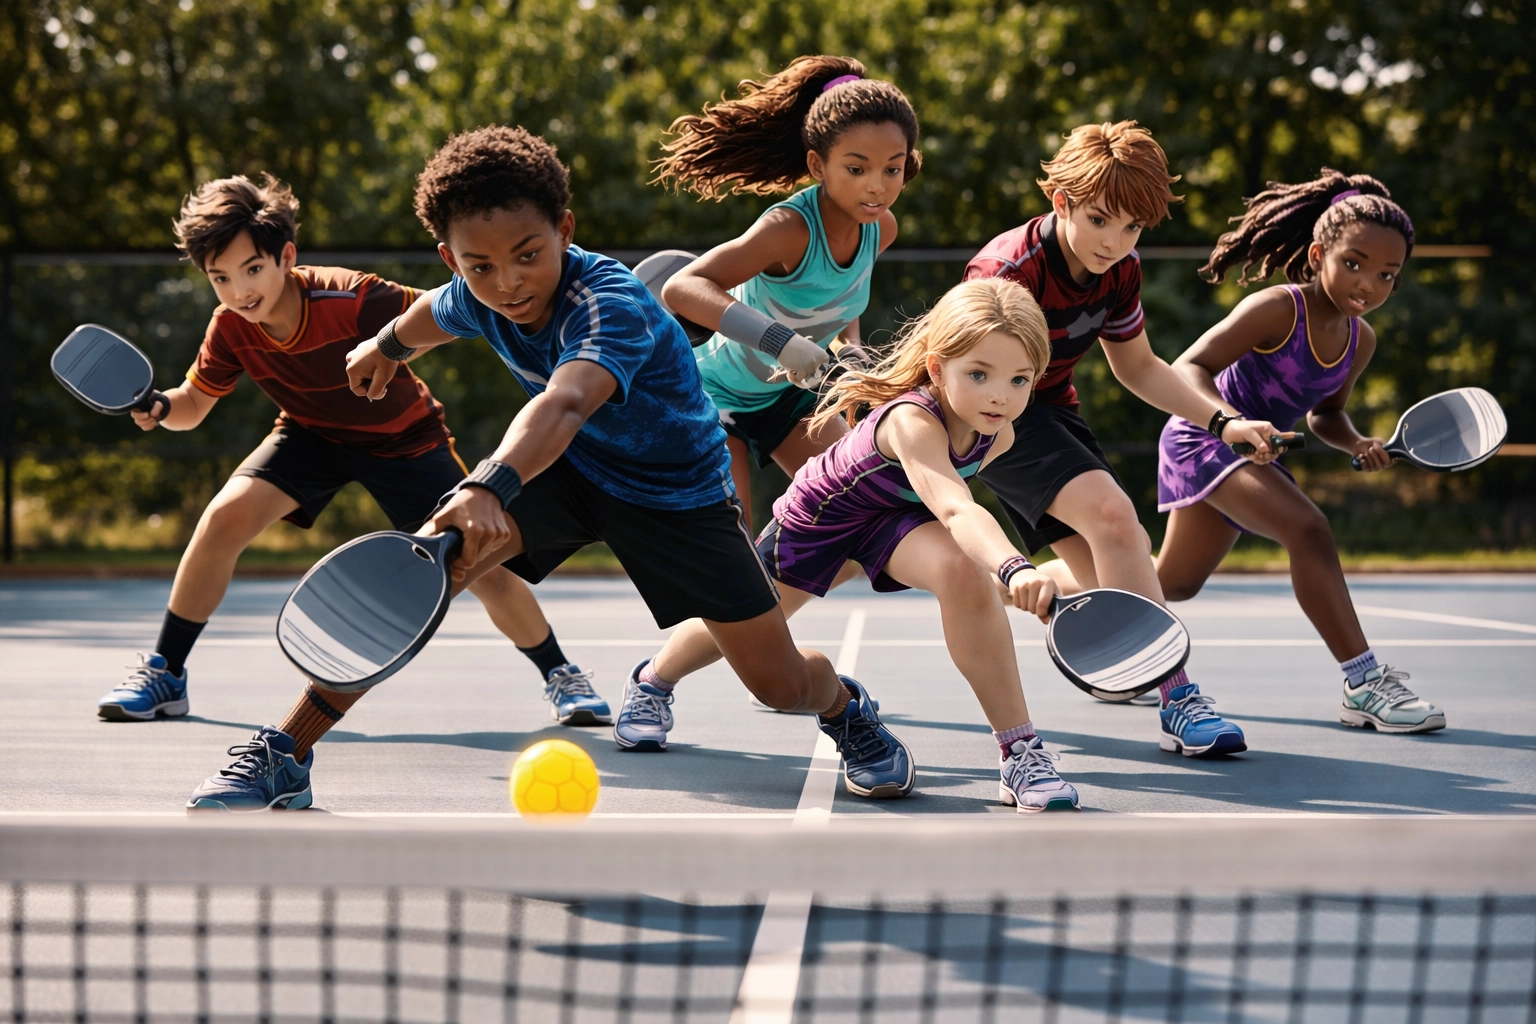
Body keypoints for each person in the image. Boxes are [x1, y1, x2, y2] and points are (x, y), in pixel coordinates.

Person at [186, 126, 914, 810]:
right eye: (480, 265)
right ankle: (286, 752)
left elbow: (564, 404)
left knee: (778, 684)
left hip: (678, 495)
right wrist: (386, 345)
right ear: (452, 259)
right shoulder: (476, 292)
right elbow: (435, 313)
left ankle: (843, 706)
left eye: (527, 255)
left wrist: (486, 483)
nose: (508, 282)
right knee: (425, 571)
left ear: (564, 230)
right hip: (571, 473)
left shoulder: (609, 304)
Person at [96, 174, 608, 736]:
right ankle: (166, 673)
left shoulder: (352, 298)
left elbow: (443, 312)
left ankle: (561, 673)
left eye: (252, 269)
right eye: (221, 278)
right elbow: (193, 404)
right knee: (223, 518)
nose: (240, 291)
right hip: (310, 436)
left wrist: (406, 349)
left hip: (404, 441)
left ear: (285, 257)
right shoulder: (231, 328)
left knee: (479, 563)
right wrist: (163, 406)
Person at [620, 278, 1082, 812]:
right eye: (978, 374)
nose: (1000, 394)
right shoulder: (912, 420)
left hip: (893, 520)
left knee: (962, 572)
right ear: (937, 369)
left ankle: (1020, 752)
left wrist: (997, 566)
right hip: (820, 518)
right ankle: (653, 680)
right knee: (742, 627)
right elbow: (956, 506)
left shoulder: (999, 433)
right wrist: (1015, 567)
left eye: (1019, 379)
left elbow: (949, 510)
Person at [963, 121, 1282, 757]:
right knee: (1116, 520)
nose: (1115, 241)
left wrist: (1224, 422)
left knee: (1108, 581)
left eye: (1132, 227)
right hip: (992, 413)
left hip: (1052, 409)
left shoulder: (1120, 270)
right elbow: (967, 374)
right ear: (1062, 202)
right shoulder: (1007, 271)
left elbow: (1138, 367)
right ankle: (1179, 699)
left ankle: (994, 581)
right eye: (1100, 220)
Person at [1154, 170, 1445, 733]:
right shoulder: (1277, 308)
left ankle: (1051, 586)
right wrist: (1234, 424)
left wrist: (1357, 441)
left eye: (1387, 274)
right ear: (1318, 255)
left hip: (1254, 453)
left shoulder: (1361, 340)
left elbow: (1325, 414)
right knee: (1308, 529)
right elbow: (1188, 367)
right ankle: (1364, 683)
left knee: (1172, 584)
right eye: (1354, 263)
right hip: (1204, 436)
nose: (1369, 284)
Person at [649, 54, 919, 523]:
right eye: (857, 169)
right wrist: (781, 342)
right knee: (729, 539)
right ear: (818, 164)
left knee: (866, 514)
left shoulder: (882, 229)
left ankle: (777, 572)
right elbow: (682, 286)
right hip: (710, 393)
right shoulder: (787, 229)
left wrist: (850, 349)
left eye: (891, 169)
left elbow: (840, 297)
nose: (877, 187)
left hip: (784, 398)